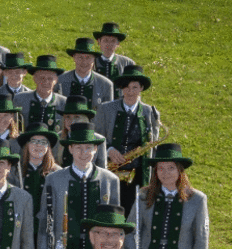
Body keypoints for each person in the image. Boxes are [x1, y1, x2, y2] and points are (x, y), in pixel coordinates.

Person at [37, 122, 121, 249]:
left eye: (88, 148)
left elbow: (116, 228)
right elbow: (44, 225)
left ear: (96, 149)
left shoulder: (110, 180)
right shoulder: (54, 179)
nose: (84, 153)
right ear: (70, 149)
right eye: (78, 148)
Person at [92, 65, 162, 215]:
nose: (130, 92)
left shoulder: (150, 112)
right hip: (111, 171)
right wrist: (109, 150)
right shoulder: (105, 109)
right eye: (127, 87)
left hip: (137, 175)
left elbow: (152, 144)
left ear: (141, 88)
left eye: (135, 87)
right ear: (121, 89)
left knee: (134, 214)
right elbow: (95, 136)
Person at [55, 38, 114, 111]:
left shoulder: (106, 85)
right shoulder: (60, 80)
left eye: (88, 58)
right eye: (80, 57)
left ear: (94, 59)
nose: (84, 62)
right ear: (74, 58)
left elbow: (108, 115)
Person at [13, 55, 66, 134]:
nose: (46, 82)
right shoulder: (20, 99)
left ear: (56, 80)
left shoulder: (64, 103)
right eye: (42, 78)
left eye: (50, 78)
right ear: (34, 78)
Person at [54, 96, 106, 170]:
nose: (72, 121)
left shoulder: (98, 139)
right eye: (68, 117)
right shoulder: (57, 138)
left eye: (76, 117)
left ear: (85, 119)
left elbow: (102, 169)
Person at [93, 23, 135, 100]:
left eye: (113, 41)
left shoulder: (128, 63)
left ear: (118, 43)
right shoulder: (91, 62)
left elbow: (135, 91)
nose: (109, 44)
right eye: (105, 40)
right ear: (99, 41)